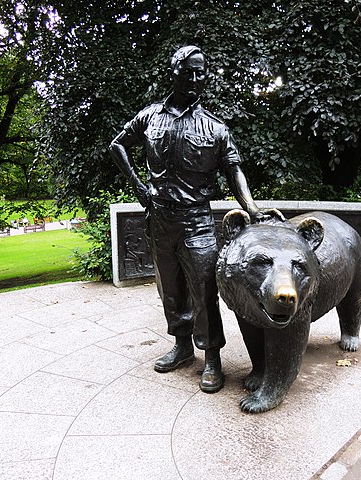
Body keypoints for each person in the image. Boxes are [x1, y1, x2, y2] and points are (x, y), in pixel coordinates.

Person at [109, 45, 262, 393]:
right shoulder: (150, 117)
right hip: (159, 218)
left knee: (204, 290)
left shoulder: (215, 127)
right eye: (189, 71)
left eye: (201, 72)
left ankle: (211, 358)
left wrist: (251, 207)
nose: (195, 79)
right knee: (170, 287)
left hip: (197, 220)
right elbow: (117, 145)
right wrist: (138, 187)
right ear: (174, 72)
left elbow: (233, 169)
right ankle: (180, 346)